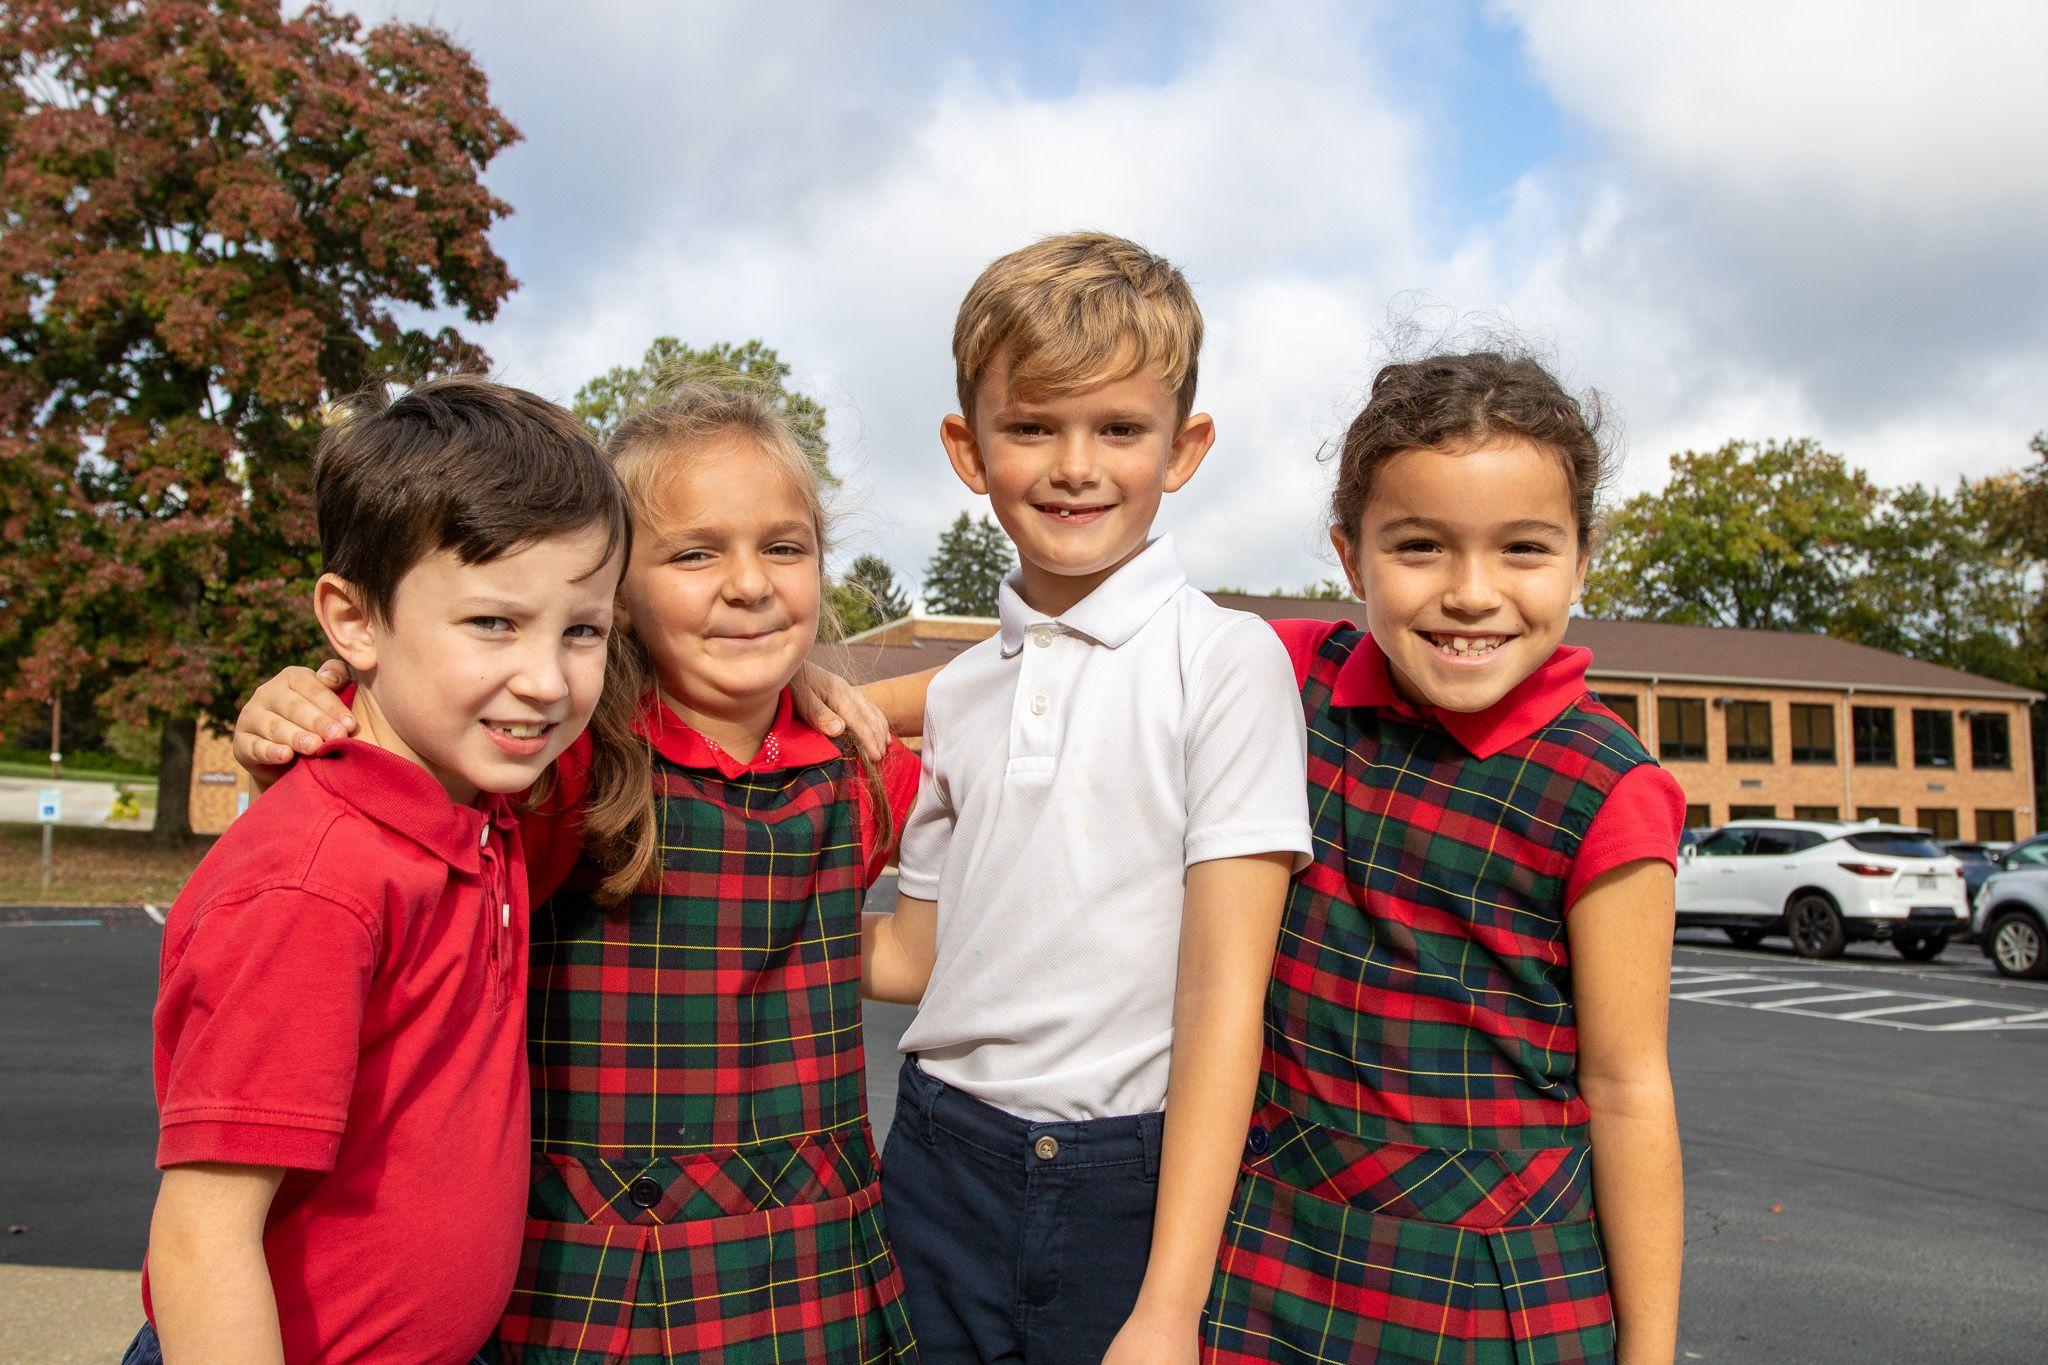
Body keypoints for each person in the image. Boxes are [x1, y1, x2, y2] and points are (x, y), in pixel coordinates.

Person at [232, 382, 919, 1363]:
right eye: (693, 552)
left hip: (809, 1281)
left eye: (783, 546)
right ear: (614, 597)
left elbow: (1028, 707)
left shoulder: (856, 768)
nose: (750, 583)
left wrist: (860, 695)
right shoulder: (567, 763)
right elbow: (397, 794)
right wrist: (297, 707)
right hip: (594, 1292)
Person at [860, 231, 1313, 1365]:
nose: (1075, 465)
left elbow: (1222, 1003)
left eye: (1117, 428)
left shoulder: (1224, 661)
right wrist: (729, 910)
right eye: (1031, 427)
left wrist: (1166, 1309)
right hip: (936, 1158)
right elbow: (913, 960)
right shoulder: (960, 692)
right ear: (968, 449)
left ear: (1183, 445)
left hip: (1129, 1181)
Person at [131, 377, 632, 1364]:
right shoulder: (314, 887)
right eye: (493, 623)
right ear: (353, 622)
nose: (546, 678)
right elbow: (202, 1235)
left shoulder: (482, 813)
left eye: (582, 630)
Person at [1203, 351, 1686, 1364]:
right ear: (1350, 557)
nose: (1472, 594)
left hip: (1494, 1288)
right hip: (1269, 1249)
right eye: (1419, 546)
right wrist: (823, 692)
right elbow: (1072, 669)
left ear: (1581, 556)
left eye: (1522, 549)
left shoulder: (1608, 787)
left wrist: (1647, 1352)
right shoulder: (1288, 678)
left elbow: (1628, 1084)